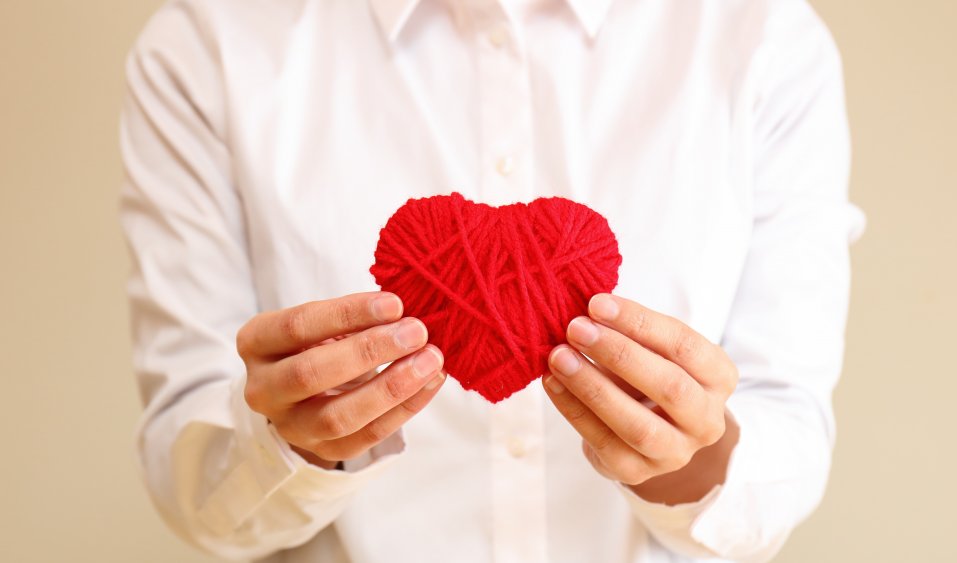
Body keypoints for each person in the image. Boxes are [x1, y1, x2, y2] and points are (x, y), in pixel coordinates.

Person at [119, 0, 865, 561]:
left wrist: (689, 453)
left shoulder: (762, 38)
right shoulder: (206, 45)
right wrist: (292, 445)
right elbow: (199, 495)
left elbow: (788, 445)